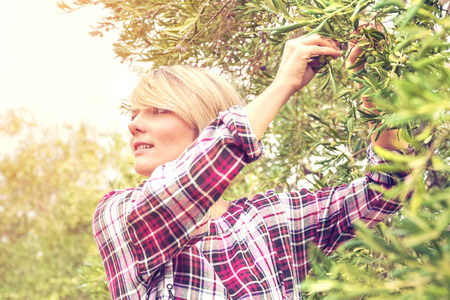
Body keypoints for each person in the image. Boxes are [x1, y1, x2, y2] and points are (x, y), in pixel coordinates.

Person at [93, 34, 410, 299]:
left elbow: (385, 189)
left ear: (207, 123)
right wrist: (282, 84)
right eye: (134, 114)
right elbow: (182, 187)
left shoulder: (267, 218)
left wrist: (374, 93)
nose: (134, 125)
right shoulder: (117, 214)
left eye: (158, 110)